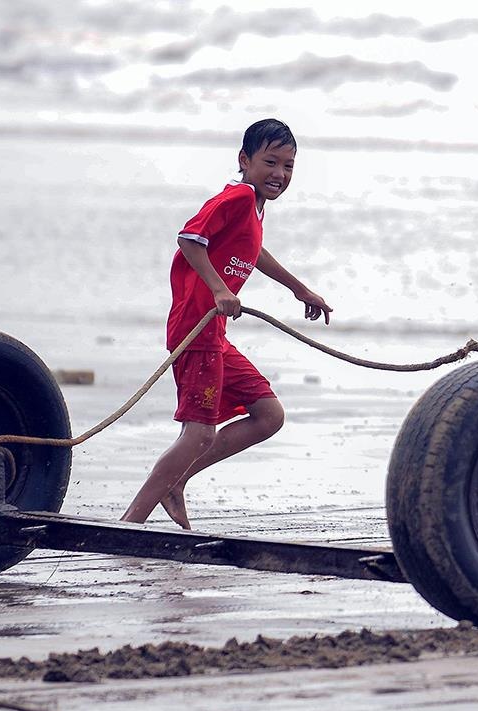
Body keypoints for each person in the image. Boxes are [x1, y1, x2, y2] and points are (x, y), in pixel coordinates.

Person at [122, 118, 332, 528]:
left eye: (288, 165)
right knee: (199, 433)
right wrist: (219, 289)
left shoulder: (254, 207)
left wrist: (300, 289)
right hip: (195, 330)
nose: (280, 173)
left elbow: (254, 251)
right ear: (244, 160)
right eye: (270, 162)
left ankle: (175, 481)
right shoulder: (237, 197)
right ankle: (131, 522)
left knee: (268, 414)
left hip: (215, 334)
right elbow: (189, 238)